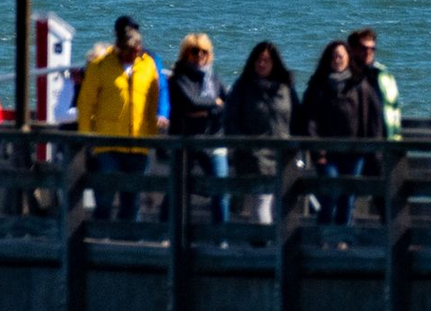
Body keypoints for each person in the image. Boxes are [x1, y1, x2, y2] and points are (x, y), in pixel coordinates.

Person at [75, 22, 161, 220]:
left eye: (137, 51)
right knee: (104, 196)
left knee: (132, 200)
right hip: (108, 144)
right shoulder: (101, 66)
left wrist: (152, 136)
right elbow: (86, 104)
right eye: (130, 51)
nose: (134, 55)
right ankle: (99, 240)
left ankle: (129, 243)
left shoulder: (148, 65)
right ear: (119, 47)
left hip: (139, 144)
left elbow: (153, 101)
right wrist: (86, 136)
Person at [301, 40, 382, 226]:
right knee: (329, 194)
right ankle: (323, 237)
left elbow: (372, 118)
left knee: (348, 198)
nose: (337, 60)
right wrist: (317, 150)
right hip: (326, 153)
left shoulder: (360, 84)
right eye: (334, 56)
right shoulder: (318, 86)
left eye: (341, 56)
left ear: (348, 59)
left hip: (355, 152)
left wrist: (371, 147)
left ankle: (343, 241)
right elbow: (309, 120)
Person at [225, 41, 301, 223]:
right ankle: (262, 244)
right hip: (254, 154)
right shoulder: (243, 87)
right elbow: (229, 119)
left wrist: (297, 143)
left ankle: (270, 244)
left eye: (266, 60)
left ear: (274, 63)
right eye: (258, 60)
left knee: (282, 204)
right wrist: (242, 144)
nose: (262, 64)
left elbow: (298, 117)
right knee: (262, 201)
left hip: (283, 153)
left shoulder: (285, 87)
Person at [168, 33, 230, 224]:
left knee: (221, 189)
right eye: (194, 51)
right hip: (186, 141)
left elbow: (228, 105)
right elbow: (191, 102)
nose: (200, 56)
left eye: (204, 51)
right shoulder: (179, 78)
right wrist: (214, 104)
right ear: (186, 54)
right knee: (177, 191)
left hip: (214, 140)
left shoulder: (214, 79)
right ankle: (164, 234)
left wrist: (207, 111)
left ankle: (221, 239)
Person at [114, 15, 170, 132]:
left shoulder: (151, 59)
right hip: (115, 124)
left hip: (144, 121)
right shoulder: (106, 61)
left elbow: (161, 87)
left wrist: (162, 114)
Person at [347, 28, 402, 140]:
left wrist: (396, 140)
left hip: (384, 141)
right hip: (352, 145)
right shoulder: (344, 76)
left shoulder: (384, 75)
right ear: (352, 49)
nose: (368, 52)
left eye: (372, 48)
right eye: (363, 48)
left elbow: (394, 108)